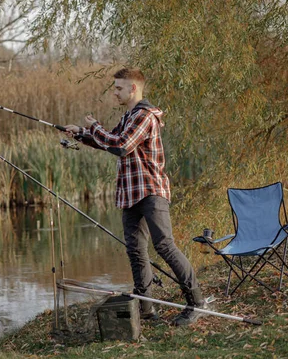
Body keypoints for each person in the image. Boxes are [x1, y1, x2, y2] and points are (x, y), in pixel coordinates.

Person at [64, 67, 208, 326]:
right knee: (136, 251)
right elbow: (111, 141)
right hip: (130, 193)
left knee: (164, 245)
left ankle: (196, 302)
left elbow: (121, 146)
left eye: (118, 87)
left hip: (151, 191)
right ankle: (146, 309)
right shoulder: (129, 116)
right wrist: (82, 135)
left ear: (133, 89)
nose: (114, 92)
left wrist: (94, 126)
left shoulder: (144, 116)